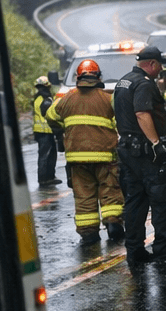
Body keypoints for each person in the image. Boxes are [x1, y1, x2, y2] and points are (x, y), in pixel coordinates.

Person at [112, 44, 166, 267]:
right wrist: (156, 143)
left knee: (135, 200)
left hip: (127, 150)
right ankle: (164, 250)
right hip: (144, 152)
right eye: (159, 65)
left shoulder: (124, 81)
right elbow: (141, 113)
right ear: (151, 64)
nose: (160, 70)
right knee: (162, 198)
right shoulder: (144, 84)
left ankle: (135, 250)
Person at [52, 58, 125, 242]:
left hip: (77, 158)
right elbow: (121, 121)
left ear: (78, 77)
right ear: (98, 77)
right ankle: (113, 223)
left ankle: (88, 232)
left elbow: (51, 115)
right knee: (110, 190)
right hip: (105, 155)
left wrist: (66, 126)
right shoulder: (108, 98)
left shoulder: (67, 98)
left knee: (83, 195)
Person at [32, 75, 60, 186]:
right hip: (46, 131)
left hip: (40, 131)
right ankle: (44, 179)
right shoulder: (46, 99)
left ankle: (49, 177)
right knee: (46, 155)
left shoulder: (37, 98)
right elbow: (50, 115)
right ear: (47, 86)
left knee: (50, 154)